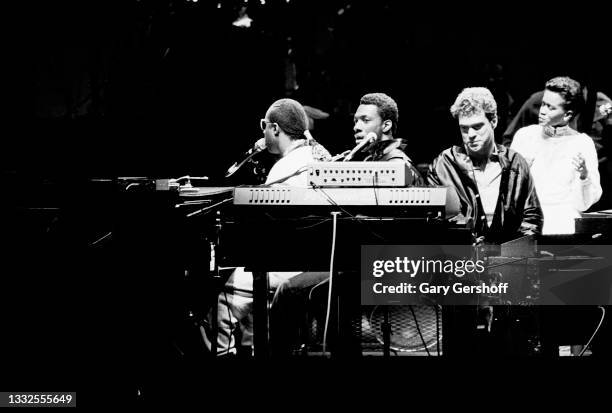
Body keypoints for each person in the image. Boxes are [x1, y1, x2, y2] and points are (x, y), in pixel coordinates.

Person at [269, 92, 423, 357]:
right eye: (355, 121)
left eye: (365, 119)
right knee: (328, 300)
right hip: (357, 260)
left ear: (385, 125)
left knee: (290, 292)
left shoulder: (396, 162)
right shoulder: (363, 160)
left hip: (381, 264)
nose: (357, 126)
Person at [203, 98, 328, 356]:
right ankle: (256, 349)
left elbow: (265, 225)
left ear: (274, 129)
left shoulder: (287, 168)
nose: (262, 133)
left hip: (291, 261)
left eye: (264, 127)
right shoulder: (315, 155)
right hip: (308, 258)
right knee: (251, 295)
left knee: (225, 292)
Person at [427, 87, 543, 243]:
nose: (471, 135)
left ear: (493, 121)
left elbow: (531, 219)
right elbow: (435, 221)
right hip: (460, 261)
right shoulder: (443, 164)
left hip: (509, 260)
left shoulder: (516, 162)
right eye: (464, 128)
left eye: (477, 126)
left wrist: (515, 254)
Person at [510, 76, 602, 234]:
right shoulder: (525, 136)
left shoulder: (582, 143)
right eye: (543, 104)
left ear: (567, 115)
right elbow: (509, 193)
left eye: (551, 108)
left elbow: (583, 204)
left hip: (563, 223)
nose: (542, 111)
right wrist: (520, 172)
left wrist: (583, 175)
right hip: (526, 222)